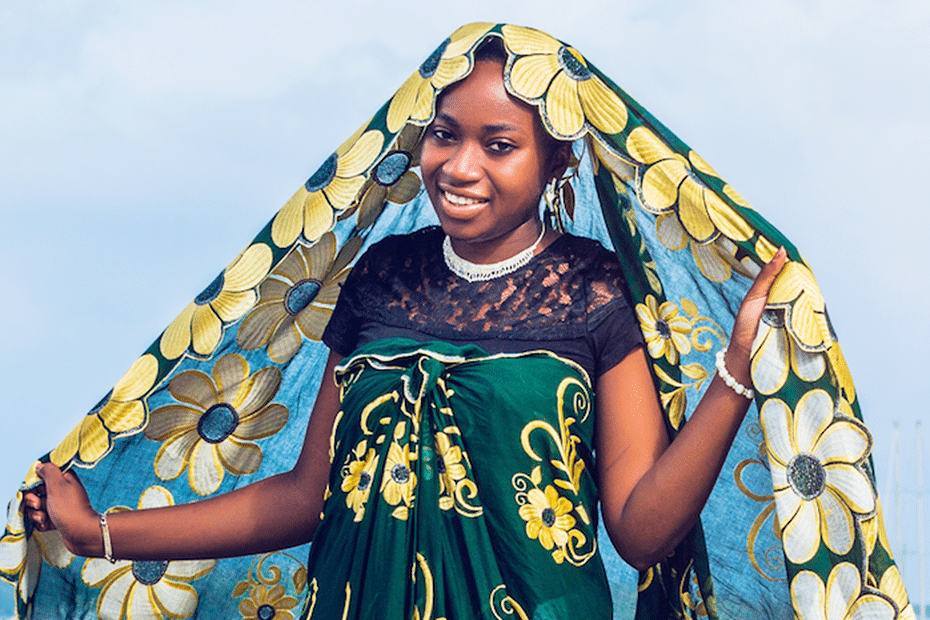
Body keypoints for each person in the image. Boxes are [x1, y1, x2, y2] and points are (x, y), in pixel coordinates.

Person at [7, 23, 906, 620]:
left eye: (498, 144)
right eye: (444, 134)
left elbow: (636, 526)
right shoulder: (379, 280)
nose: (459, 165)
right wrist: (103, 535)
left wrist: (737, 377)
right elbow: (304, 495)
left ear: (555, 162)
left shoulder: (593, 295)